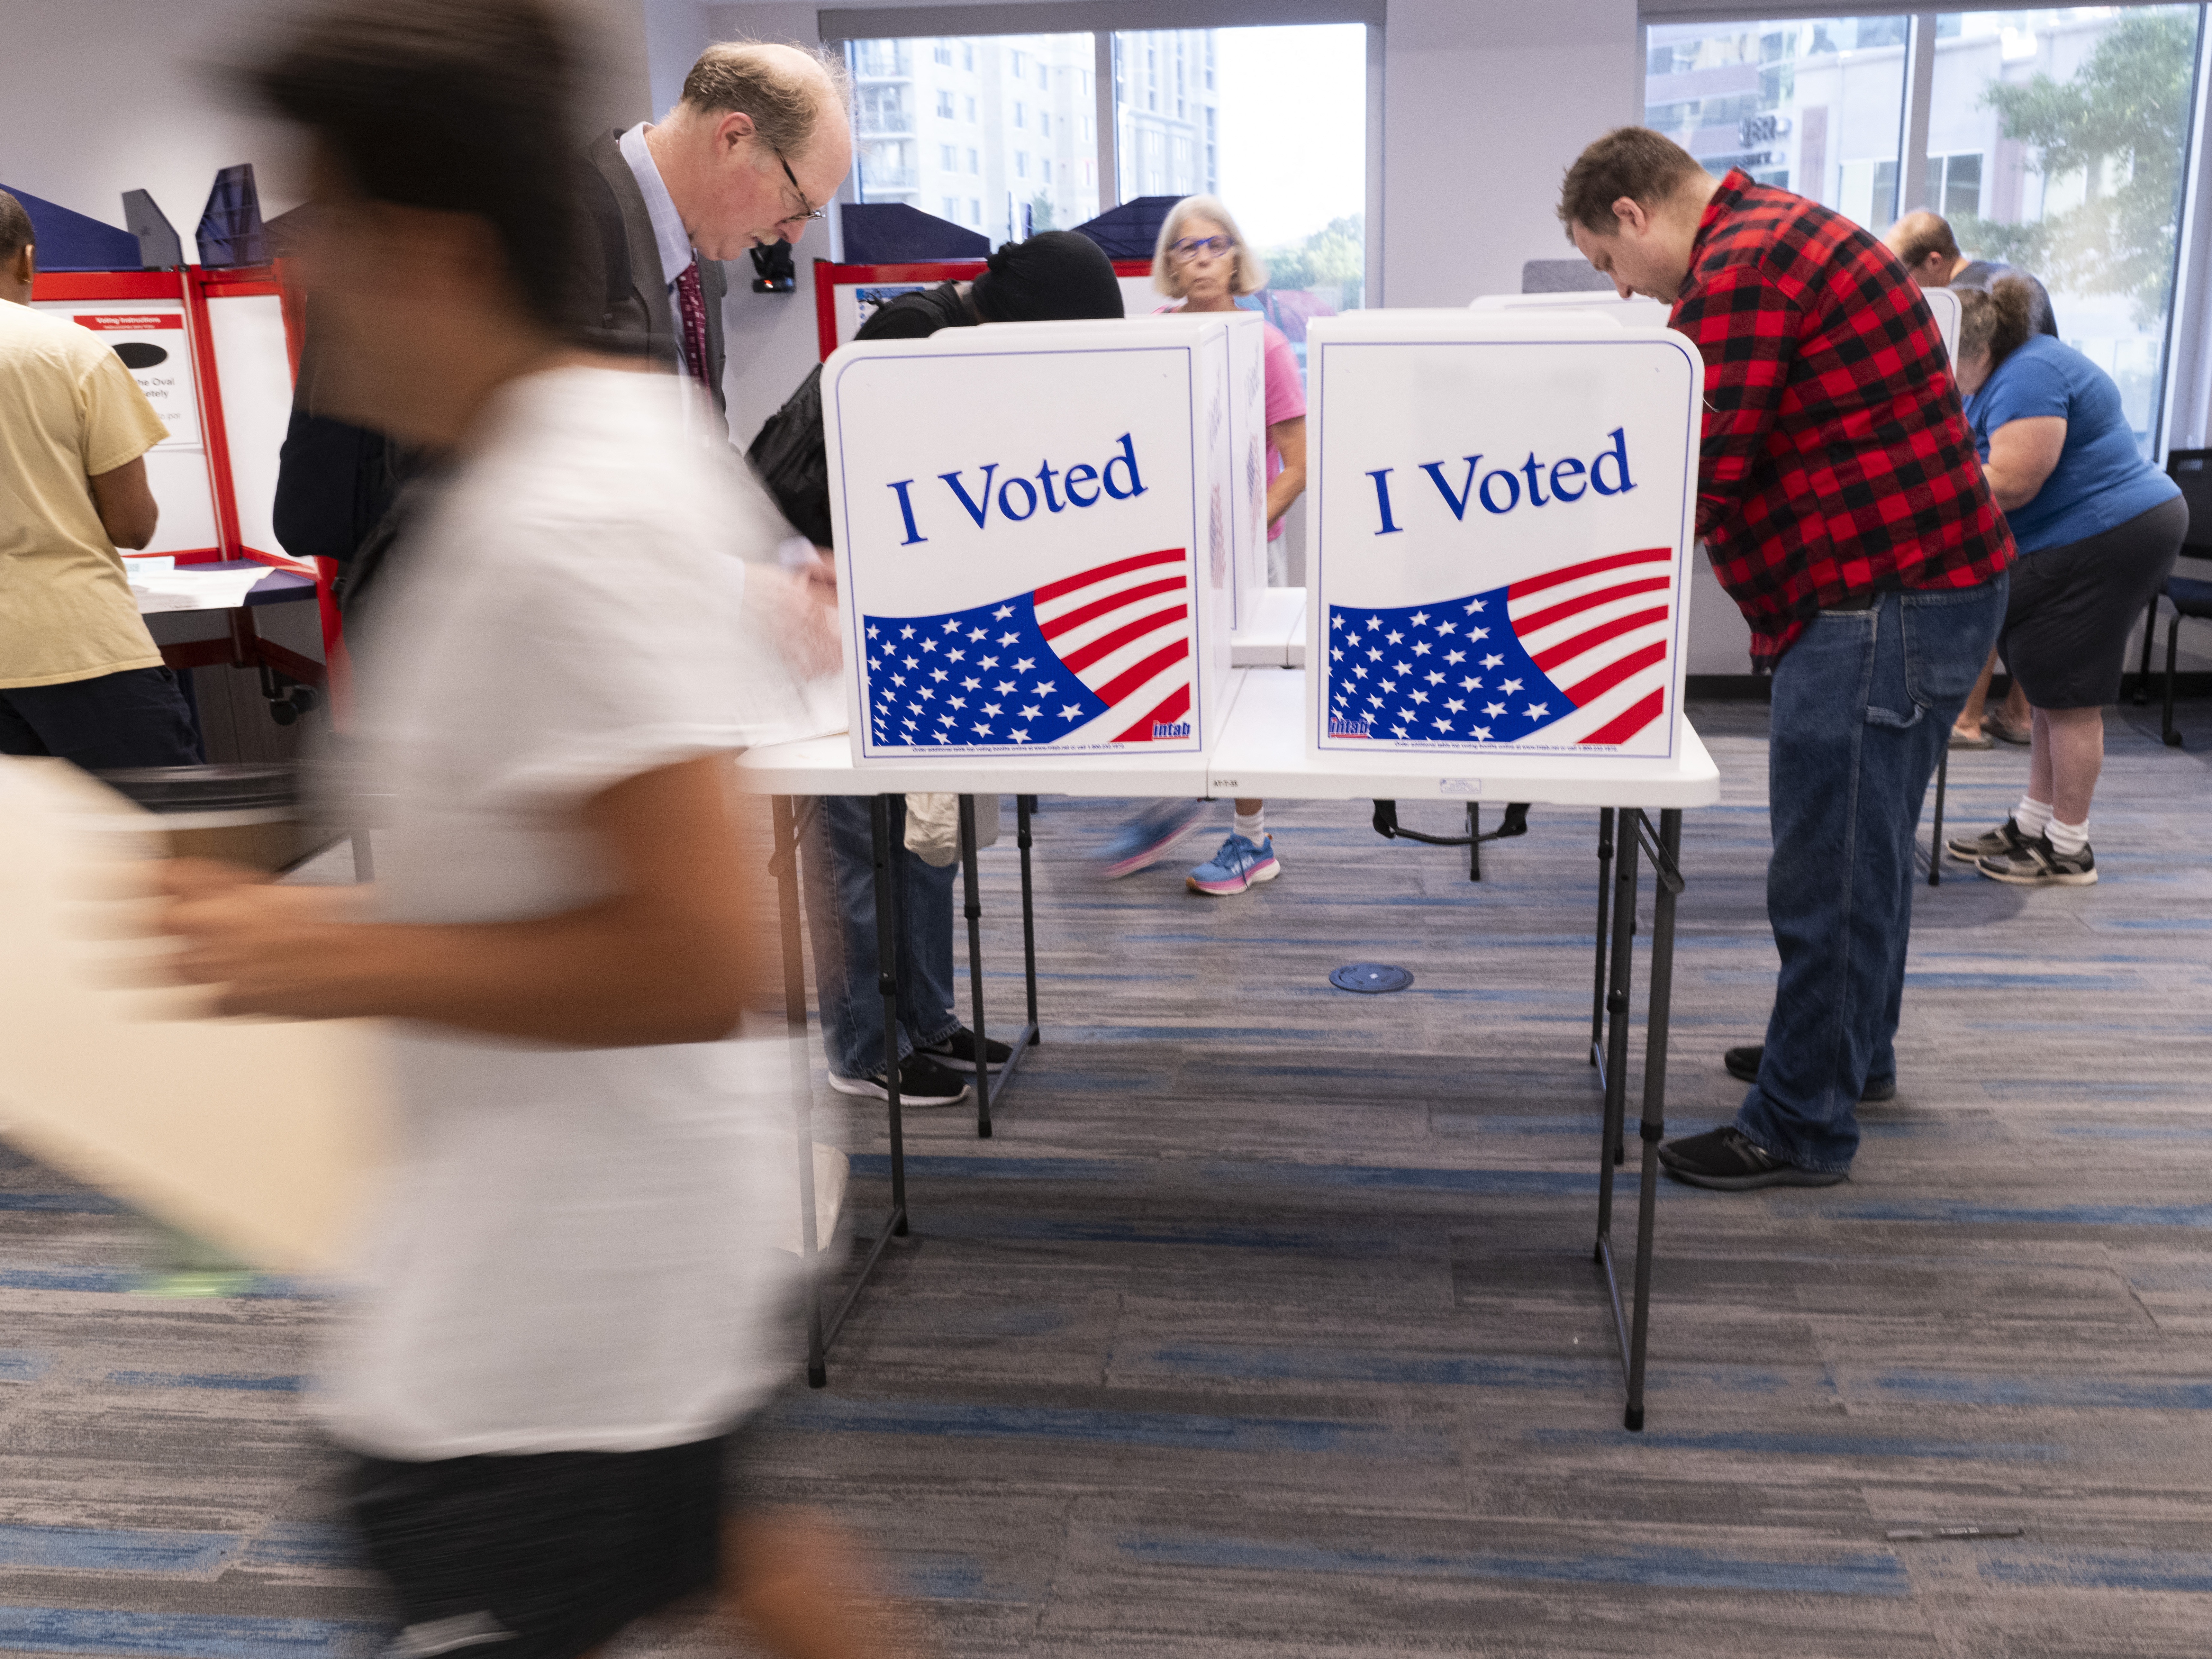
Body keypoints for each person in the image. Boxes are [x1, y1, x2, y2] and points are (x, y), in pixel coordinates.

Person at [162, 5, 894, 1654]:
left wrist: (318, 945)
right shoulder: (575, 452)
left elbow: (703, 949)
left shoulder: (561, 511)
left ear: (422, 248)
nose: (291, 274)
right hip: (568, 1256)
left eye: (316, 226)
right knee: (718, 1557)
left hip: (559, 1306)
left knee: (622, 1563)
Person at [1561, 127, 2013, 1191]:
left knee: (1829, 871)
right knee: (1865, 850)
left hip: (1880, 599)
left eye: (1606, 266)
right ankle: (1850, 1056)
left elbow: (1701, 461)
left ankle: (1803, 1122)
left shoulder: (1745, 268)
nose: (1624, 293)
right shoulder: (1773, 236)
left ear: (1633, 216)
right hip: (1913, 587)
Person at [747, 231, 1127, 1106]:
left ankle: (927, 1020)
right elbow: (872, 496)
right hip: (832, 617)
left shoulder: (948, 339)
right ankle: (865, 1046)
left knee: (922, 838)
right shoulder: (912, 343)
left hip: (901, 620)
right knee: (859, 844)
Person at [1096, 195, 1308, 896]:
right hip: (1169, 554)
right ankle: (1167, 807)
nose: (1201, 259)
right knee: (1165, 683)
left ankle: (1252, 842)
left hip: (1244, 558)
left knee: (1240, 701)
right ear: (1168, 264)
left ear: (1237, 257)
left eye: (1215, 245)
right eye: (1186, 248)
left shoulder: (1266, 345)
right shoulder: (1151, 334)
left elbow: (1298, 465)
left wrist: (1237, 536)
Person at [1944, 280, 2186, 887]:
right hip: (2081, 534)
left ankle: (2070, 848)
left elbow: (2013, 480)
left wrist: (1925, 473)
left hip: (2111, 531)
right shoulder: (2004, 374)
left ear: (1976, 348)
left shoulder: (2029, 374)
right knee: (2052, 686)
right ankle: (2035, 825)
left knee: (2072, 696)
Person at [0, 189, 203, 770]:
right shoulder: (72, 352)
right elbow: (133, 525)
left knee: (28, 856)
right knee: (157, 844)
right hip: (80, 647)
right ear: (27, 260)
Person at [581, 39, 854, 434]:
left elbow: (704, 433)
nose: (793, 234)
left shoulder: (703, 250)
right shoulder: (568, 221)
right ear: (734, 139)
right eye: (797, 202)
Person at [1886, 208, 2056, 749]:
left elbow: (2003, 381)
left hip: (2008, 450)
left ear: (1933, 261)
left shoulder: (1981, 296)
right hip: (2008, 443)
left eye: (1904, 276)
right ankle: (2014, 714)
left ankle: (1970, 716)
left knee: (1981, 571)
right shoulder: (2003, 280)